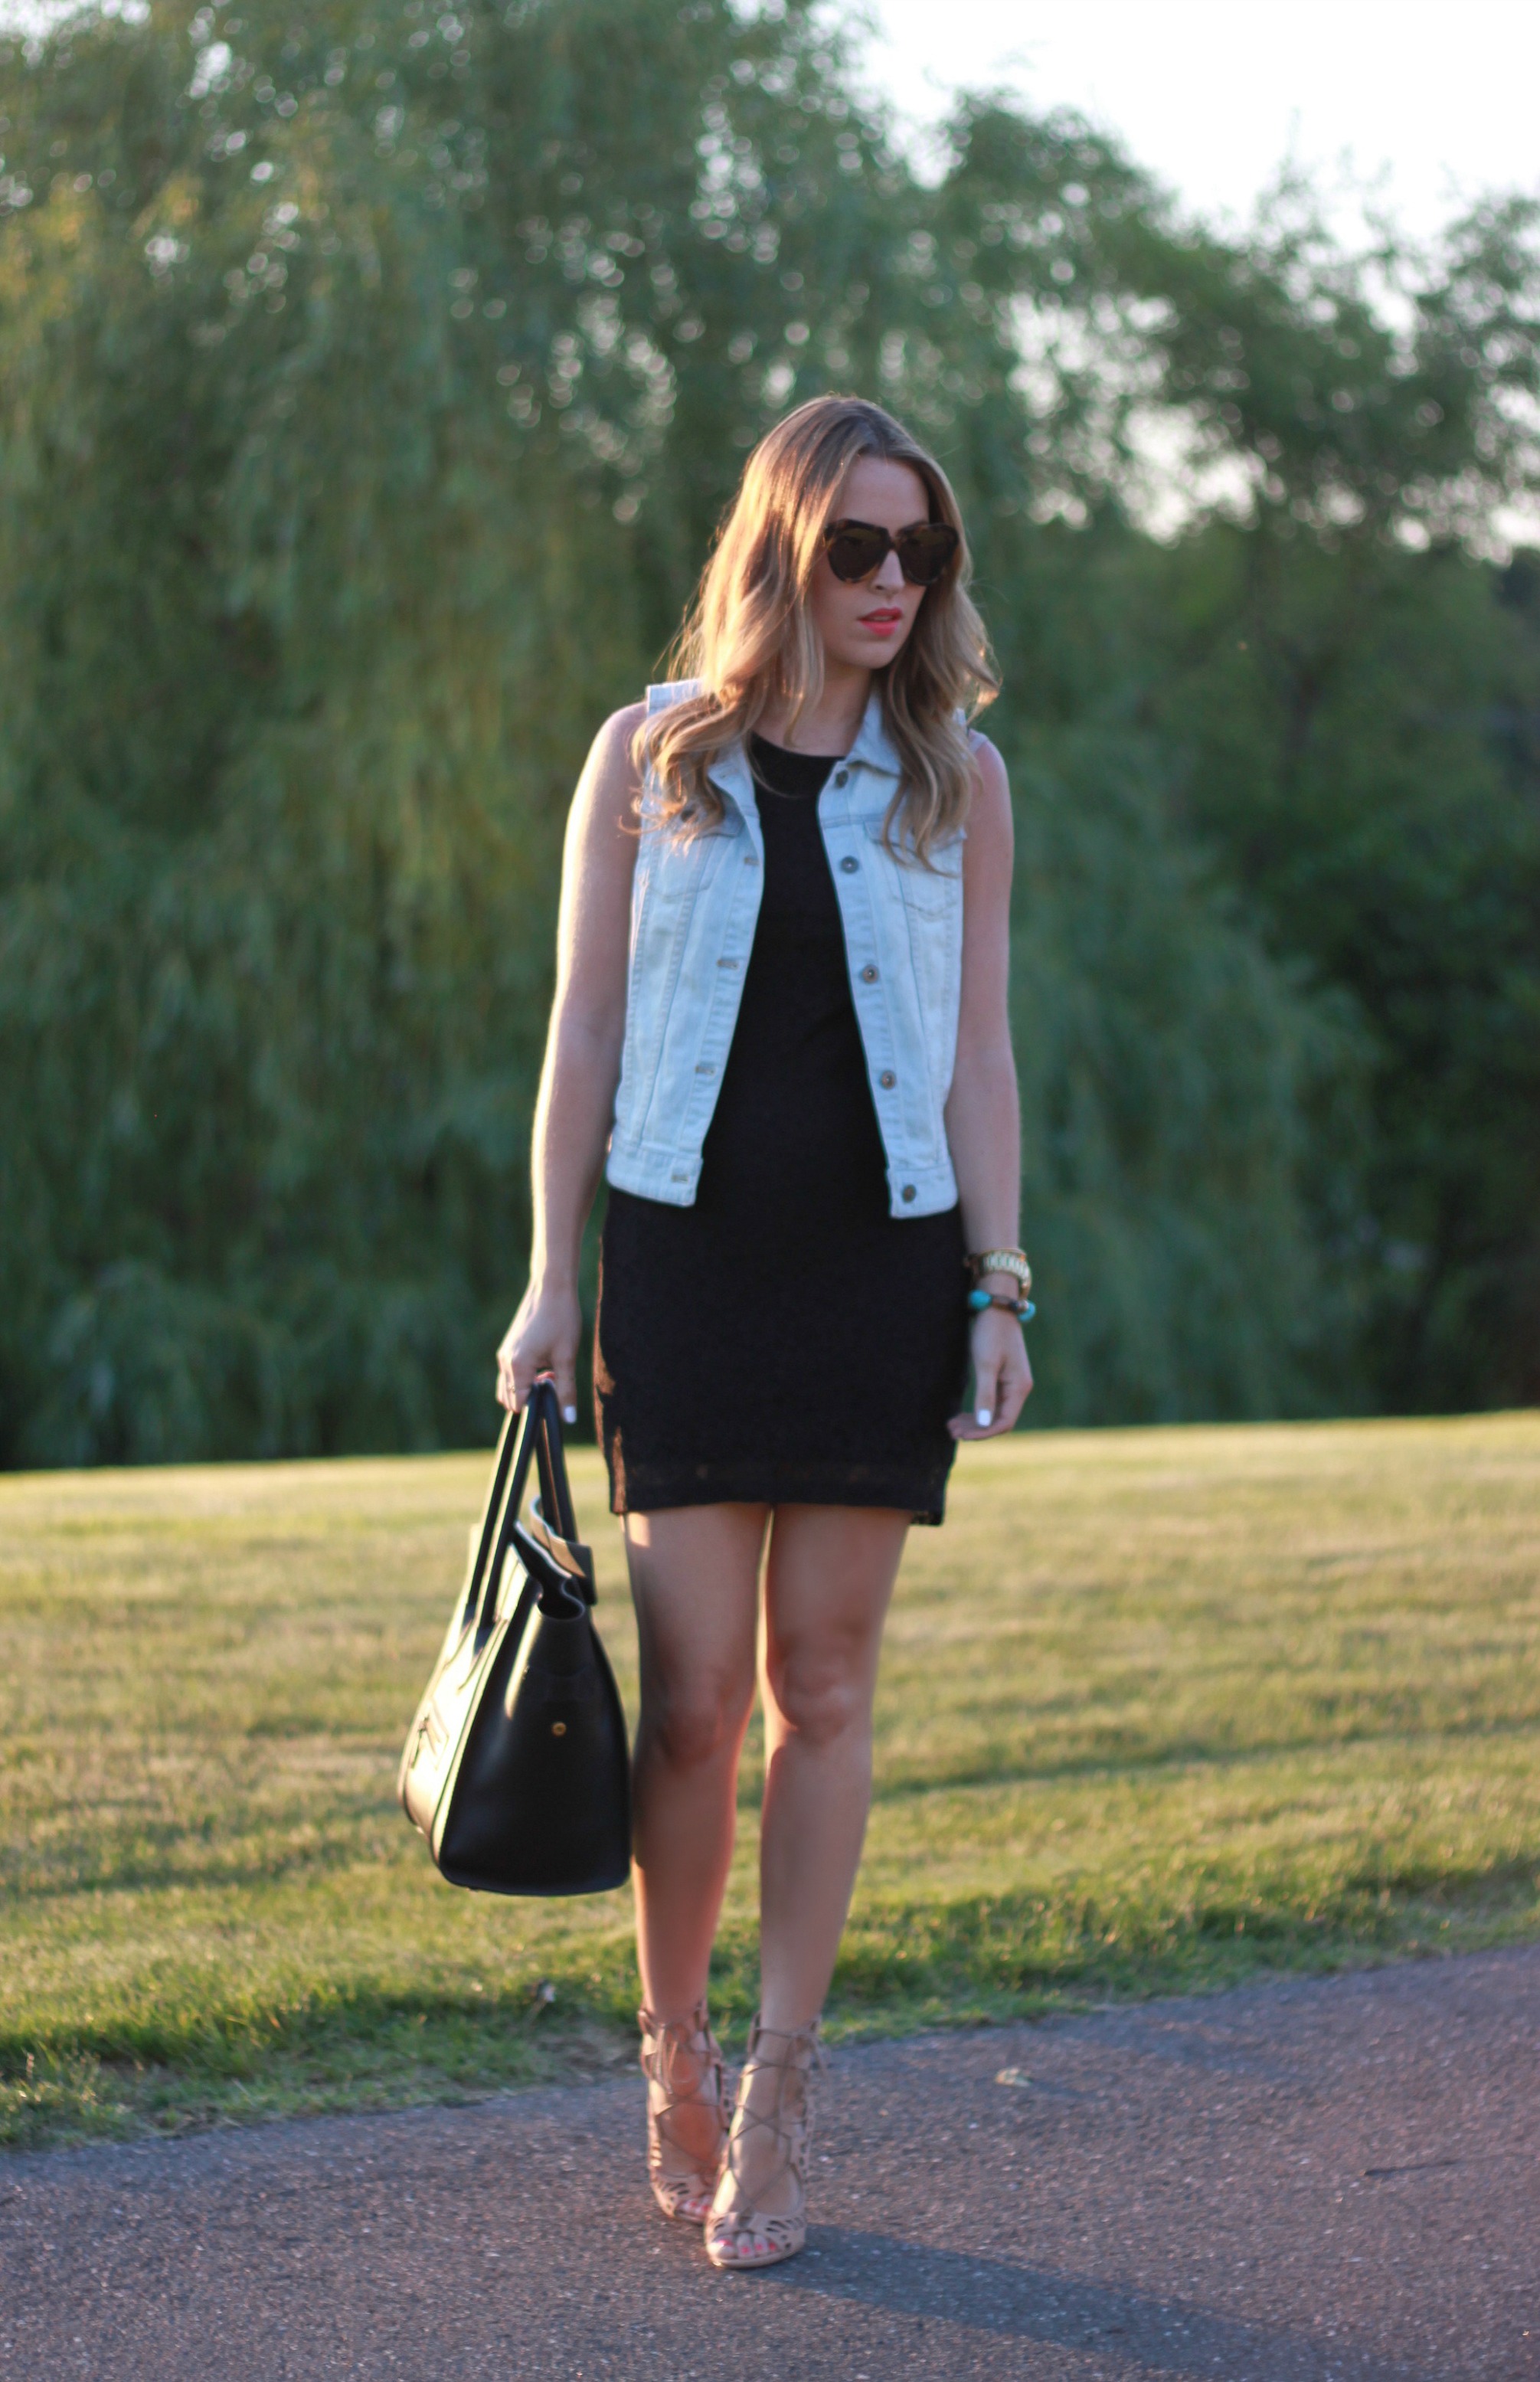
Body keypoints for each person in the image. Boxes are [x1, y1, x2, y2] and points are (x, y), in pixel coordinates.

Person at [496, 394, 1032, 2271]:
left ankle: (783, 2100)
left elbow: (978, 1055)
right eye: (860, 547)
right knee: (699, 1700)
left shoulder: (951, 778)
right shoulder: (654, 759)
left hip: (880, 1271)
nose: (896, 584)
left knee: (833, 1685)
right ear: (783, 549)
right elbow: (577, 1032)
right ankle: (673, 2053)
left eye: (925, 553)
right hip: (690, 1271)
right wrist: (550, 1274)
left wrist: (998, 1281)